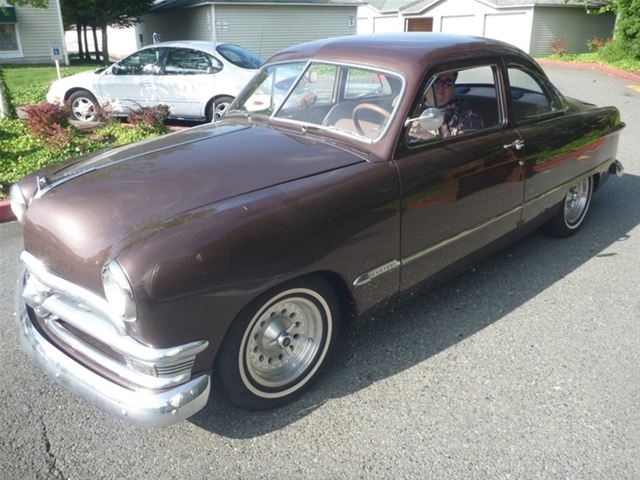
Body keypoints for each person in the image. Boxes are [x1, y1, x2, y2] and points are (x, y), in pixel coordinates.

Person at [409, 71, 483, 141]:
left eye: (447, 83)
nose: (440, 86)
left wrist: (430, 139)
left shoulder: (466, 113)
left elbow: (469, 149)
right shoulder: (409, 107)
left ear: (453, 87)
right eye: (436, 81)